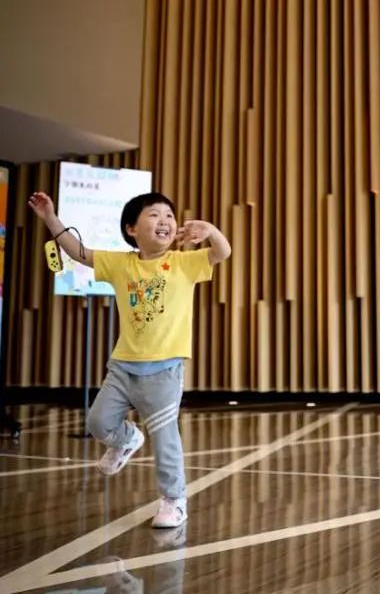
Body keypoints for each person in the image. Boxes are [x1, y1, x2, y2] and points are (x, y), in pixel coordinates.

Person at [28, 191, 231, 529]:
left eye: (169, 215)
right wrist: (50, 216)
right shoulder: (121, 264)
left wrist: (211, 231)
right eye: (154, 214)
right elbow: (78, 252)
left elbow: (222, 253)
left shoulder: (183, 263)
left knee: (165, 439)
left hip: (164, 370)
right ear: (131, 229)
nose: (165, 220)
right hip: (122, 366)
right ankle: (128, 439)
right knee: (97, 423)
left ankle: (174, 501)